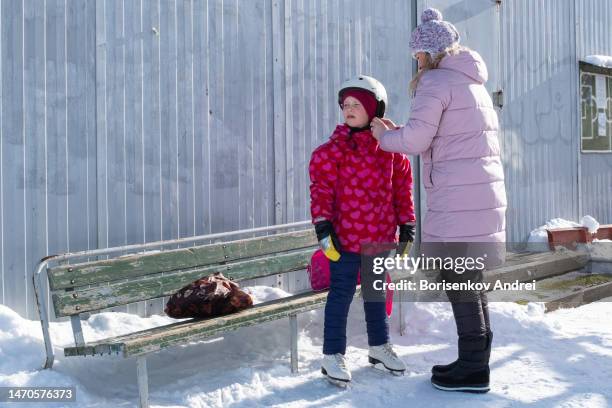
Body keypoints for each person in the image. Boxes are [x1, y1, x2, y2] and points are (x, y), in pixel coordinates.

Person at [371, 8, 507, 393]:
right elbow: (434, 134)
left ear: (430, 53)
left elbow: (415, 141)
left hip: (457, 197)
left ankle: (473, 369)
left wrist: (383, 135)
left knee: (458, 277)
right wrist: (404, 132)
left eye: (417, 54)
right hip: (481, 196)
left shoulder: (435, 83)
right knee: (470, 276)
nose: (415, 60)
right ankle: (476, 360)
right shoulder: (472, 83)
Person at [309, 75, 416, 386]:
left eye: (357, 104)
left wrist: (407, 224)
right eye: (346, 105)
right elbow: (321, 192)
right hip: (344, 240)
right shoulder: (331, 152)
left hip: (380, 239)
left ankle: (379, 347)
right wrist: (323, 227)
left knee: (376, 293)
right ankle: (332, 355)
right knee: (340, 295)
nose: (349, 110)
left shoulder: (392, 149)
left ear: (375, 108)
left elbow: (402, 190)